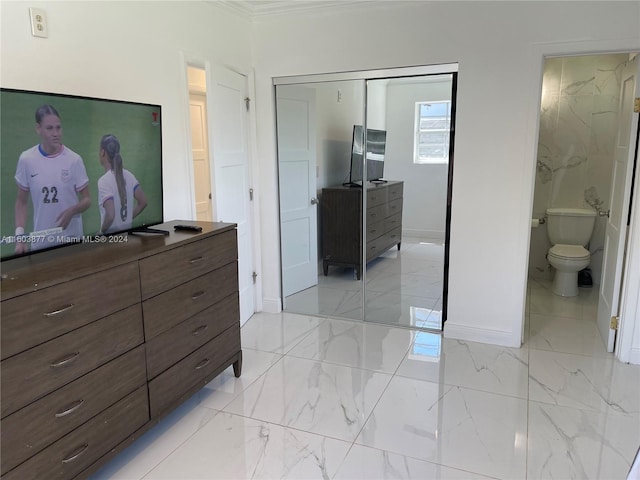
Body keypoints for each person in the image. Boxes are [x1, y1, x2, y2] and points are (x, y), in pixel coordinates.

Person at [14, 104, 91, 254]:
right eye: (50, 128)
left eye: (58, 127)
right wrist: (20, 236)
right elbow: (21, 202)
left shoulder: (74, 160)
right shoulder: (27, 159)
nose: (56, 133)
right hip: (42, 245)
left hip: (72, 242)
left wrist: (73, 210)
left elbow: (87, 199)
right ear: (38, 129)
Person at [97, 134, 147, 234]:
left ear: (103, 152)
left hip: (111, 241)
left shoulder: (104, 181)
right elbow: (143, 202)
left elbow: (110, 215)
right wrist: (128, 217)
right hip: (127, 238)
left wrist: (101, 232)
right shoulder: (130, 176)